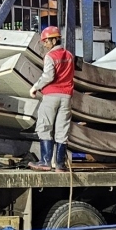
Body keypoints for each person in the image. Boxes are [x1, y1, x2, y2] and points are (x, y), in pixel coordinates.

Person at [29, 25, 74, 172]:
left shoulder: (50, 57)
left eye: (46, 41)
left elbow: (49, 76)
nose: (45, 44)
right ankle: (60, 165)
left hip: (51, 96)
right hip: (66, 97)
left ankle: (45, 162)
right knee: (62, 129)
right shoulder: (69, 55)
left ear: (54, 40)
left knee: (45, 126)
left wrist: (35, 87)